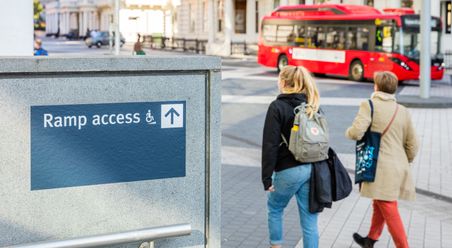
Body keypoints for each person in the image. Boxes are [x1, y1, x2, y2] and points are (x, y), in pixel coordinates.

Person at [345, 71, 418, 248]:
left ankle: (403, 246)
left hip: (379, 166)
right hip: (399, 166)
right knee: (380, 201)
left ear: (376, 86)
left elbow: (356, 132)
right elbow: (413, 145)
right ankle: (370, 239)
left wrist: (348, 132)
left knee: (387, 205)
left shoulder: (369, 105)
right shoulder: (403, 110)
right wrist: (404, 160)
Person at [262, 65, 321, 248]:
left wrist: (266, 177)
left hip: (288, 169)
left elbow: (270, 145)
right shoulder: (313, 106)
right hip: (312, 169)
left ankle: (277, 246)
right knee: (310, 220)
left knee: (275, 208)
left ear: (283, 82)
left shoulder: (277, 107)